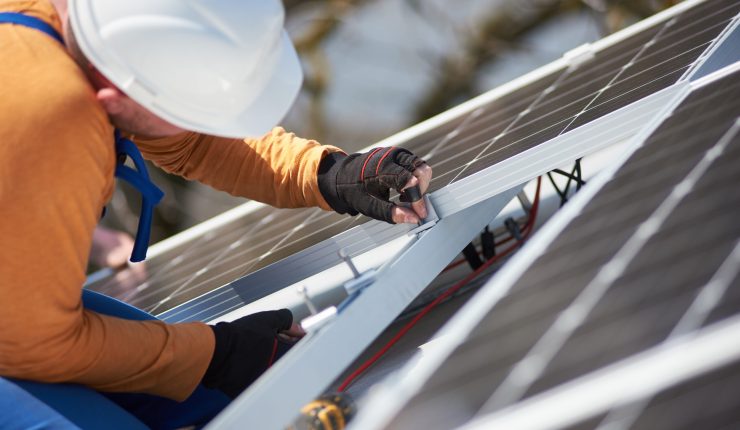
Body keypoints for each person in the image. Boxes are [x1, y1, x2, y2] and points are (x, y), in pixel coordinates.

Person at [0, 0, 432, 427]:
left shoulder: (83, 32)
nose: (194, 126)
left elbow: (191, 142)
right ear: (112, 96)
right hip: (22, 333)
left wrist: (326, 174)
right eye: (181, 112)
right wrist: (216, 353)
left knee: (211, 396)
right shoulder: (48, 110)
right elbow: (35, 343)